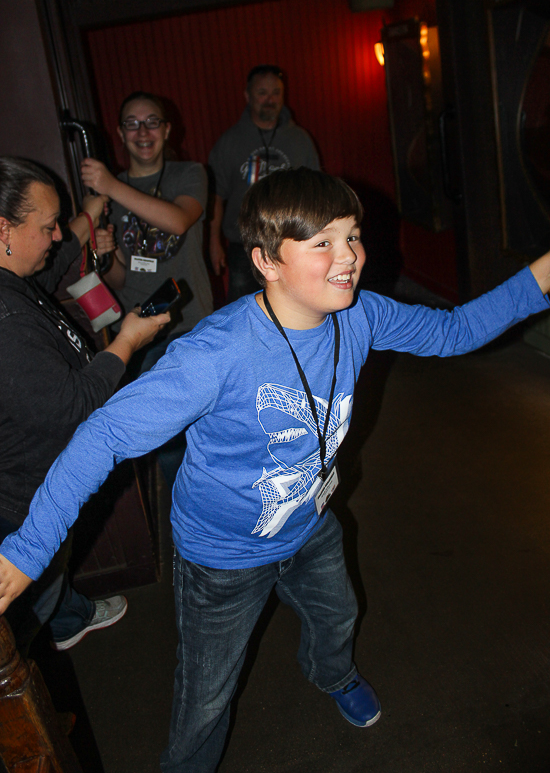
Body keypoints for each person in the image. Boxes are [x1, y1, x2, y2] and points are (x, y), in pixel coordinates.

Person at [1, 167, 549, 772]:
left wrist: (544, 272)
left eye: (352, 236)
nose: (350, 258)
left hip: (308, 519)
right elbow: (102, 435)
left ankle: (332, 674)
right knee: (207, 696)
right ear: (267, 261)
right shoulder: (215, 355)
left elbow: (456, 330)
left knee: (338, 614)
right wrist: (28, 551)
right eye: (323, 243)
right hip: (222, 556)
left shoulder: (360, 315)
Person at [0, 156, 169, 654]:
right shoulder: (5, 319)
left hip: (33, 490)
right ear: (3, 228)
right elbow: (73, 406)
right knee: (21, 631)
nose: (56, 238)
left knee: (48, 593)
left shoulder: (11, 276)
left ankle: (64, 616)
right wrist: (128, 342)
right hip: (20, 505)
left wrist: (90, 212)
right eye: (47, 226)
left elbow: (56, 264)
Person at [82, 90, 213, 486]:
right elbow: (120, 281)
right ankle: (187, 528)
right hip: (141, 331)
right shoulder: (111, 193)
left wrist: (107, 185)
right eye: (132, 123)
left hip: (192, 324)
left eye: (152, 121)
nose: (143, 131)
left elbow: (177, 221)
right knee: (170, 442)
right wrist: (111, 258)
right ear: (121, 133)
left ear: (167, 128)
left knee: (209, 430)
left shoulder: (189, 173)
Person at [208, 64, 320, 301]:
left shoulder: (300, 139)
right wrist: (214, 241)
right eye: (262, 93)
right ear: (248, 96)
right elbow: (215, 195)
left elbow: (316, 192)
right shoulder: (229, 141)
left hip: (293, 241)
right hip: (244, 246)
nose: (270, 99)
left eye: (276, 93)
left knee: (296, 302)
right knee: (244, 308)